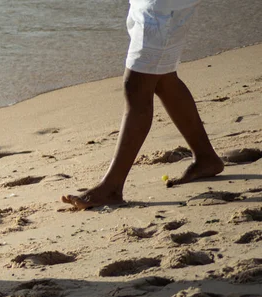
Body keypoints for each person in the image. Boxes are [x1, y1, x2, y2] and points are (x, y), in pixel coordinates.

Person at [62, 0, 224, 210]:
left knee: (137, 85)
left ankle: (112, 187)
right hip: (156, 5)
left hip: (162, 6)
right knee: (163, 79)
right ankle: (205, 158)